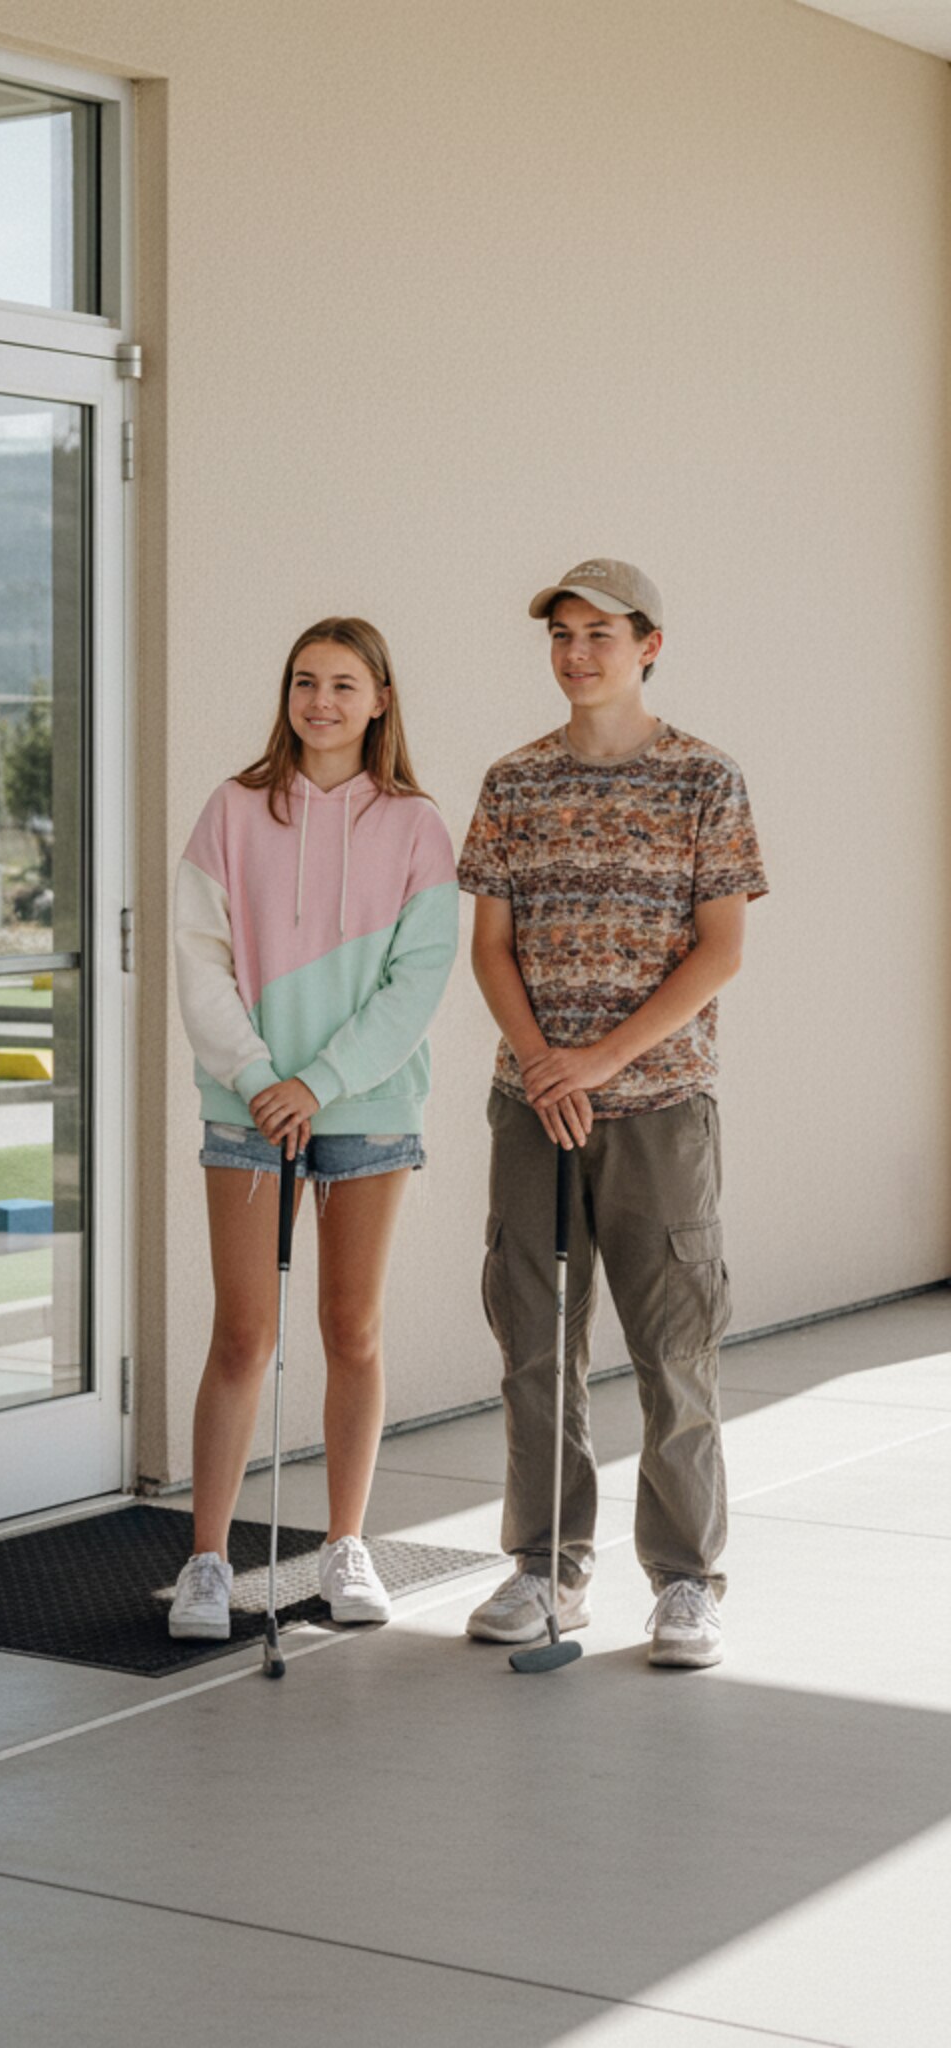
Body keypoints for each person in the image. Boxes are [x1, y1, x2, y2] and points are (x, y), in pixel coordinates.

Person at [457, 559, 766, 1670]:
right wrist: (545, 1064)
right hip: (530, 1110)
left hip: (660, 1111)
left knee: (672, 1350)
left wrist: (595, 1060)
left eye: (599, 632)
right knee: (533, 1345)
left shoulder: (703, 779)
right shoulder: (510, 781)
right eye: (560, 633)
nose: (575, 651)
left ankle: (684, 1582)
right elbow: (488, 946)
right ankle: (546, 1566)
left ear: (648, 645)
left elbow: (718, 949)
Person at [170, 618, 459, 1641]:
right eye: (303, 681)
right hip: (245, 1108)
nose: (319, 700)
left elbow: (415, 981)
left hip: (367, 1109)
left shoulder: (417, 826)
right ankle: (206, 1559)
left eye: (342, 683)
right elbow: (199, 961)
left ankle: (343, 1543)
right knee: (242, 1333)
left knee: (351, 1329)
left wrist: (321, 1080)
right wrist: (260, 1077)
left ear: (379, 697)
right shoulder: (232, 811)